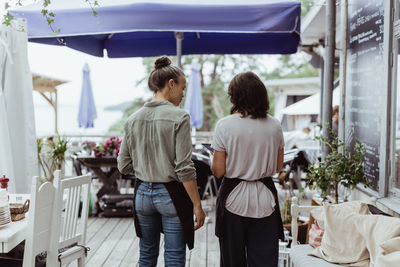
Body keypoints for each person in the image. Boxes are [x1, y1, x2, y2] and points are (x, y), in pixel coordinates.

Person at [117, 57, 206, 267]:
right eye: (182, 88)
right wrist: (197, 206)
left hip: (141, 196)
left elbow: (123, 165)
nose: (183, 94)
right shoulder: (180, 117)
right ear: (171, 84)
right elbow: (184, 168)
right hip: (171, 196)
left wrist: (146, 167)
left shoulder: (132, 119)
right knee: (174, 257)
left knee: (146, 256)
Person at [211, 72, 285, 267]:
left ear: (235, 96)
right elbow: (278, 167)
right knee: (264, 261)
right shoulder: (275, 125)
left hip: (233, 199)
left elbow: (218, 171)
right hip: (265, 199)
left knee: (232, 261)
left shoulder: (224, 126)